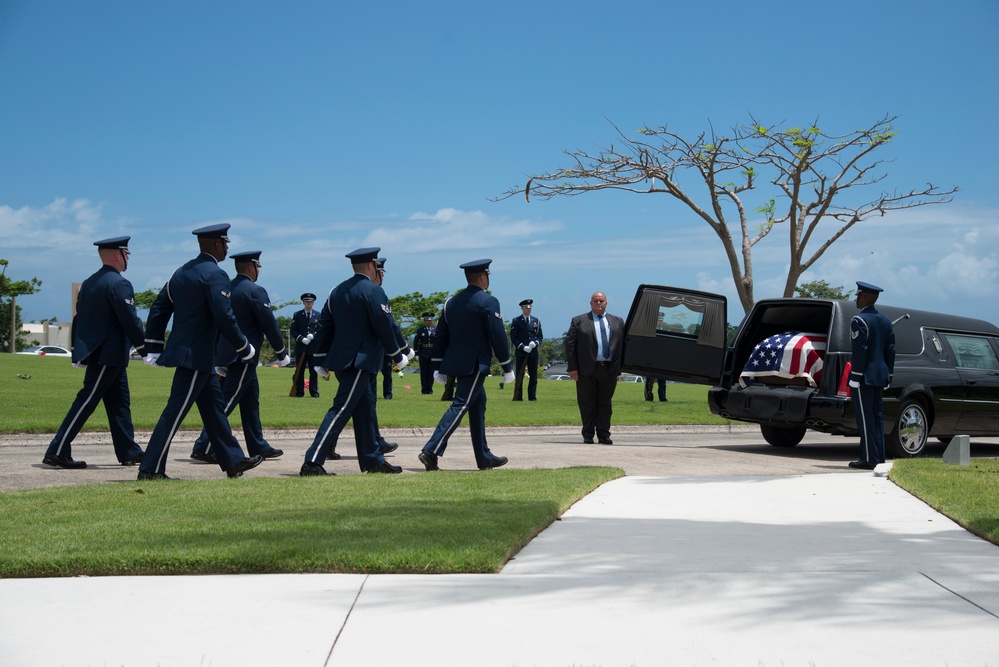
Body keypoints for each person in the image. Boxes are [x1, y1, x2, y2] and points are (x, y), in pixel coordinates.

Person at [138, 223, 263, 480]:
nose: (227, 248)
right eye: (225, 243)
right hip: (195, 355)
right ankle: (150, 469)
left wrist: (153, 345)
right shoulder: (215, 274)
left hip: (197, 355)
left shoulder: (181, 272)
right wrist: (243, 346)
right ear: (217, 244)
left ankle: (233, 461)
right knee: (174, 412)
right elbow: (224, 317)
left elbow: (159, 307)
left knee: (215, 410)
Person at [300, 248, 412, 476]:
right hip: (360, 361)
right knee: (340, 409)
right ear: (371, 266)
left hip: (343, 361)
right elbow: (384, 326)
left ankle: (372, 460)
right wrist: (398, 354)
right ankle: (312, 461)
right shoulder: (373, 291)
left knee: (366, 411)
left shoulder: (337, 292)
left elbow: (325, 326)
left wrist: (320, 358)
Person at [43, 236, 147, 469]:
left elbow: (80, 318)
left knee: (120, 404)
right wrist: (144, 348)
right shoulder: (119, 283)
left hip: (106, 354)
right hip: (107, 355)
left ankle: (129, 450)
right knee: (87, 400)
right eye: (126, 253)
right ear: (117, 255)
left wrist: (76, 350)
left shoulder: (89, 282)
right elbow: (130, 320)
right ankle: (57, 450)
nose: (128, 258)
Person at [189, 251, 291, 464]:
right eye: (258, 267)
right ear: (252, 267)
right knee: (228, 401)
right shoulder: (254, 290)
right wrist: (281, 352)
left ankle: (257, 445)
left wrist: (218, 356)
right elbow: (268, 323)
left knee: (250, 401)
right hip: (244, 356)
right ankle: (204, 445)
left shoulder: (227, 288)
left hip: (228, 354)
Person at [418, 259, 516, 472]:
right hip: (474, 364)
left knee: (478, 404)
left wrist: (437, 365)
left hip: (455, 362)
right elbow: (498, 335)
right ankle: (431, 450)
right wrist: (507, 365)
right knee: (461, 404)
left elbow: (441, 335)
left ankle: (484, 456)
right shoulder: (488, 302)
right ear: (483, 277)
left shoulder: (450, 302)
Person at [565, 291, 625, 445]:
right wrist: (573, 368)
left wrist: (621, 366)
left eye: (602, 301)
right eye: (596, 301)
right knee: (587, 403)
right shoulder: (578, 321)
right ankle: (588, 434)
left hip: (609, 369)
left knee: (605, 403)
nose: (599, 303)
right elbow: (570, 346)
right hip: (586, 370)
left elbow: (623, 346)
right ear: (590, 303)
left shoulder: (617, 321)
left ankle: (604, 435)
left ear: (606, 303)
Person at [848, 281, 896, 470]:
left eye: (859, 295)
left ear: (866, 297)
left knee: (866, 418)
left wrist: (856, 376)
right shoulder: (885, 321)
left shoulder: (859, 321)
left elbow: (860, 351)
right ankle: (878, 457)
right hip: (880, 375)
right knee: (877, 418)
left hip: (864, 377)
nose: (856, 299)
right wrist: (889, 375)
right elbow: (890, 351)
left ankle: (869, 458)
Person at [509, 298, 543, 401]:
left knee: (533, 376)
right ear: (522, 308)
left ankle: (532, 397)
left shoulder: (536, 320)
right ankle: (518, 397)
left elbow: (540, 336)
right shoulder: (516, 321)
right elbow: (513, 337)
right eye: (527, 307)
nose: (529, 309)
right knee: (520, 375)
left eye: (530, 307)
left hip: (533, 353)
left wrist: (535, 343)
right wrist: (523, 347)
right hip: (521, 353)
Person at [291, 292, 320, 397]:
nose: (309, 303)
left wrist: (314, 335)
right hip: (301, 347)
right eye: (307, 301)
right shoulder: (297, 315)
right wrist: (301, 338)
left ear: (313, 302)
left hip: (313, 348)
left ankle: (314, 392)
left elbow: (321, 329)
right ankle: (299, 392)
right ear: (303, 302)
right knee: (300, 371)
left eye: (311, 301)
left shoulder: (318, 315)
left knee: (314, 371)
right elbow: (293, 330)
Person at [413, 312, 437, 394]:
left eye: (430, 320)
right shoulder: (420, 330)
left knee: (431, 373)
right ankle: (424, 390)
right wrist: (416, 353)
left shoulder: (435, 330)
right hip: (423, 353)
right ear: (424, 321)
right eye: (427, 320)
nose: (429, 322)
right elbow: (415, 342)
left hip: (432, 354)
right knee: (424, 373)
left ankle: (430, 389)